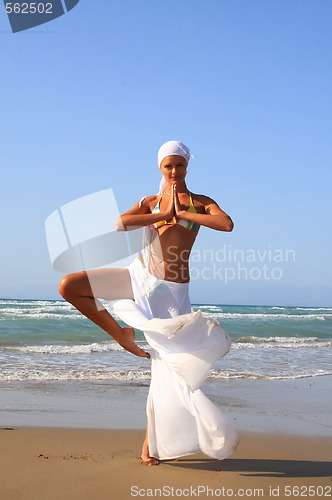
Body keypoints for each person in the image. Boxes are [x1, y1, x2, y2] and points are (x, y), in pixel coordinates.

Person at [58, 140, 238, 465]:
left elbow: (226, 224)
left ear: (186, 166)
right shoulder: (149, 201)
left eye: (179, 165)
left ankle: (148, 444)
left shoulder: (200, 203)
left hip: (171, 293)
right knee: (70, 285)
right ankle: (121, 335)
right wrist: (159, 214)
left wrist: (180, 213)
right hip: (140, 275)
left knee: (167, 368)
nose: (173, 171)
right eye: (168, 166)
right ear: (160, 167)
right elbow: (119, 223)